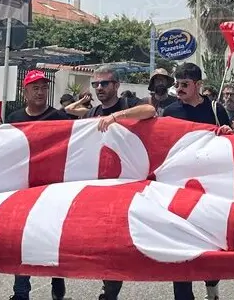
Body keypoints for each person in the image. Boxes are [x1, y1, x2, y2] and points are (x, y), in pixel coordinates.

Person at [63, 66, 155, 300]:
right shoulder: (92, 112)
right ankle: (110, 286)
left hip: (128, 184)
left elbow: (150, 109)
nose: (100, 88)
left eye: (104, 84)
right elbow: (68, 112)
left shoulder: (127, 106)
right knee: (103, 239)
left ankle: (111, 287)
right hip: (99, 186)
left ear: (116, 85)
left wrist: (115, 117)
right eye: (96, 85)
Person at [162, 63, 232, 300]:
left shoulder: (216, 109)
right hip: (178, 187)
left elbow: (231, 142)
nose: (179, 89)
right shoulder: (170, 112)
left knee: (210, 241)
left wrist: (227, 132)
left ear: (198, 85)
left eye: (185, 84)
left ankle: (211, 284)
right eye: (177, 84)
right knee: (179, 244)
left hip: (210, 188)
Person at [6, 70, 68, 300]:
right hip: (23, 189)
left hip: (52, 189)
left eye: (44, 88)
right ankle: (21, 291)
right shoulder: (13, 119)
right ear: (26, 92)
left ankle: (57, 278)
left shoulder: (59, 118)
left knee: (52, 236)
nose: (41, 92)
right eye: (35, 88)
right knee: (21, 239)